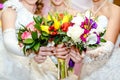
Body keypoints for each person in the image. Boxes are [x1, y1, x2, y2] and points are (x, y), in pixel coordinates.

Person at [0, 0, 58, 80]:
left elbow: (42, 47)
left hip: (29, 68)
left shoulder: (40, 18)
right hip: (9, 67)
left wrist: (44, 56)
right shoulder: (12, 9)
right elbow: (8, 42)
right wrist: (33, 53)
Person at [69, 0, 120, 80]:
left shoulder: (115, 10)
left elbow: (107, 49)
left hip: (110, 69)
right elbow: (82, 46)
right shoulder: (85, 13)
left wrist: (84, 57)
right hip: (88, 70)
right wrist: (76, 51)